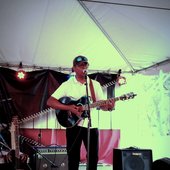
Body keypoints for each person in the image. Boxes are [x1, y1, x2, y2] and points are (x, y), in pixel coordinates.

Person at [47, 56, 115, 170]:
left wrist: (109, 107)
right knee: (73, 157)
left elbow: (101, 105)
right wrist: (68, 107)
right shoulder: (67, 84)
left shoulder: (94, 85)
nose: (83, 67)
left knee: (93, 157)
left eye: (85, 65)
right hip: (73, 124)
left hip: (91, 126)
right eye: (80, 65)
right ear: (74, 68)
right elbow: (50, 102)